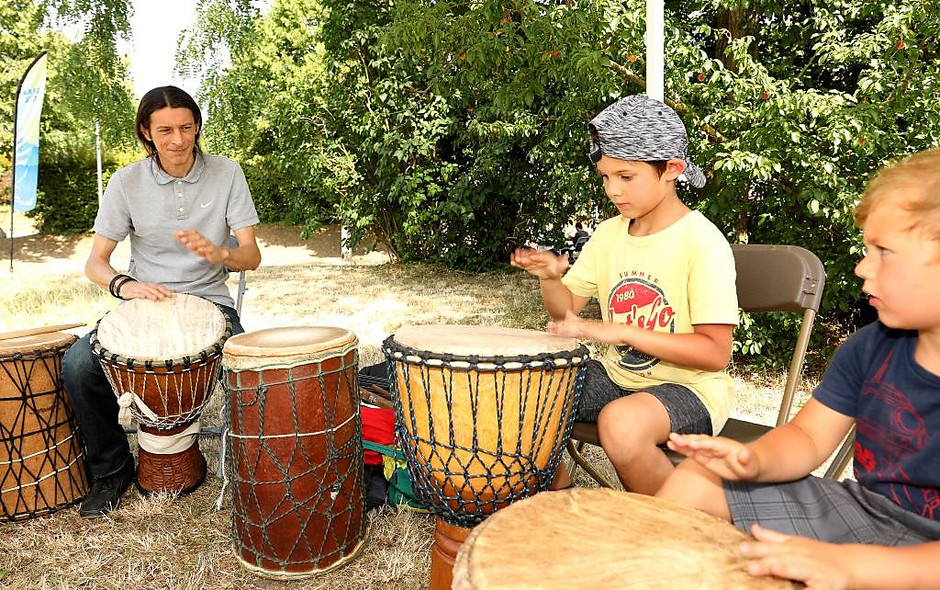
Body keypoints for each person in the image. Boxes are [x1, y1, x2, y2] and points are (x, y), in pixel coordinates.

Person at [658, 148, 940, 589]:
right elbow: (808, 437)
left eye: (884, 251)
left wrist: (851, 567)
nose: (862, 267)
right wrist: (754, 459)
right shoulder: (870, 348)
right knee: (698, 477)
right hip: (868, 513)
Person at [510, 94, 738, 494]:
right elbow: (567, 314)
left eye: (626, 177)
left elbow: (715, 353)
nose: (613, 190)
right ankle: (560, 494)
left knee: (621, 422)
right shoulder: (609, 233)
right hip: (617, 379)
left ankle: (674, 527)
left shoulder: (702, 243)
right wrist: (550, 278)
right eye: (605, 177)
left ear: (672, 169)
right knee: (521, 388)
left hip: (689, 391)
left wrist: (625, 333)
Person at [63, 85, 262, 517]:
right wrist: (124, 285)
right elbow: (96, 263)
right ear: (146, 132)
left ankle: (253, 470)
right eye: (166, 130)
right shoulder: (126, 182)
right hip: (146, 303)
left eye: (187, 128)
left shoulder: (227, 173)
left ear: (197, 128)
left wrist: (222, 253)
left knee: (252, 375)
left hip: (211, 301)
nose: (178, 139)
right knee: (78, 365)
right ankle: (112, 469)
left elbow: (252, 255)